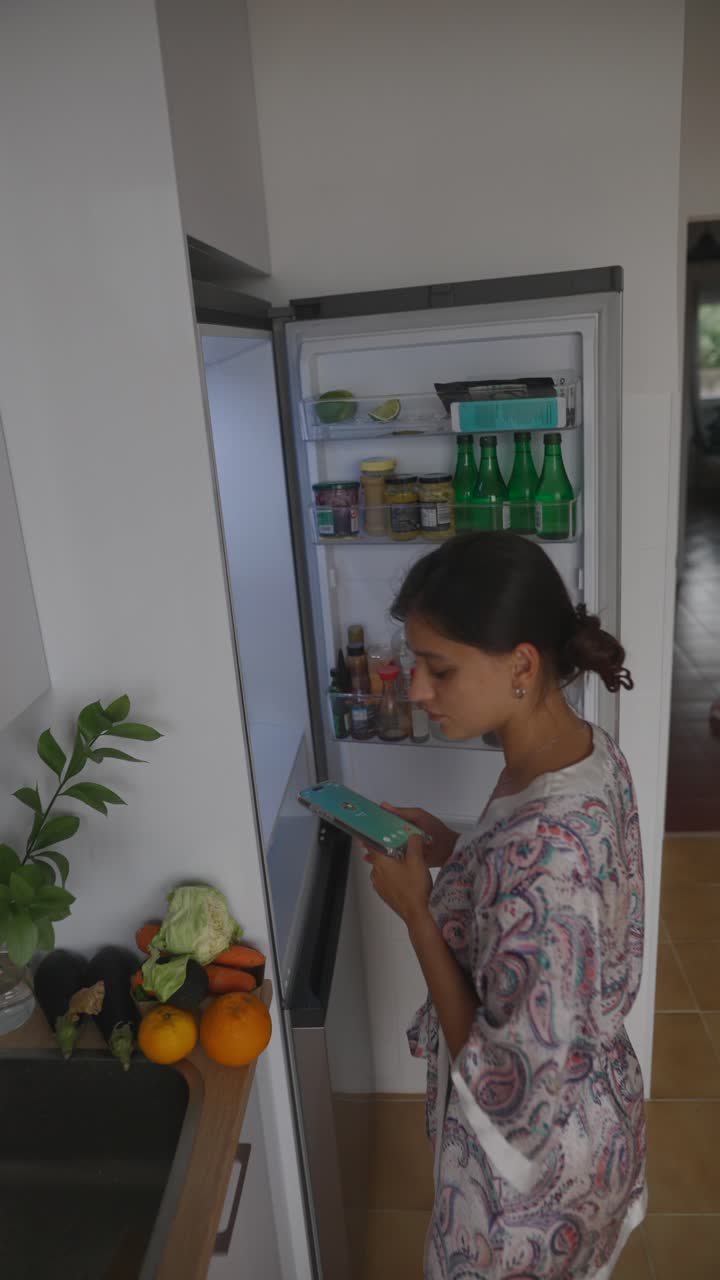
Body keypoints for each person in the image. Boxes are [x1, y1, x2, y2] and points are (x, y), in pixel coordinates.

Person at [363, 532, 646, 1280]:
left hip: (535, 1182)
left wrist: (418, 915)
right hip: (595, 1116)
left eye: (439, 668)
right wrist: (464, 849)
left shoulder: (547, 852)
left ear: (521, 664)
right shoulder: (579, 750)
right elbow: (536, 904)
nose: (417, 689)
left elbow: (507, 1087)